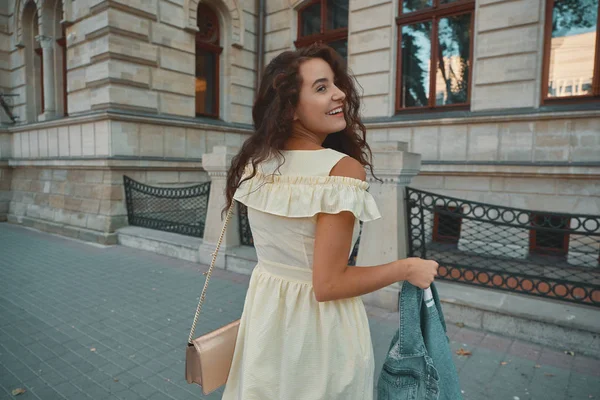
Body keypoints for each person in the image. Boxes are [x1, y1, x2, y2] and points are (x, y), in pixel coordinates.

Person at [221, 43, 439, 400]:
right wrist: (407, 268)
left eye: (335, 84)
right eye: (321, 88)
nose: (339, 94)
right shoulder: (340, 170)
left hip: (266, 323)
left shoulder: (257, 163)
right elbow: (328, 284)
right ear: (290, 107)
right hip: (319, 335)